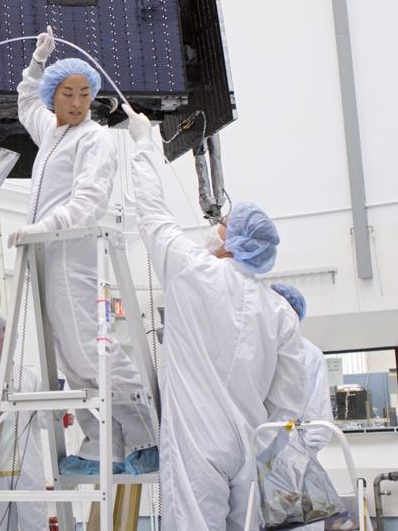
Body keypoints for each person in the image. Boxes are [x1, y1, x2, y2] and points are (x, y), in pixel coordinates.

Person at [123, 103, 307, 530]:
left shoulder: (193, 271)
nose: (215, 225)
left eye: (222, 223)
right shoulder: (280, 313)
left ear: (232, 242)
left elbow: (151, 213)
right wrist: (269, 449)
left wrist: (142, 144)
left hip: (197, 442)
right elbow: (289, 401)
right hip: (251, 443)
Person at [5, 27, 159, 477]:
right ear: (56, 97)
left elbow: (89, 200)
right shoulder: (52, 134)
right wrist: (37, 62)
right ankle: (99, 445)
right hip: (46, 255)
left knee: (91, 350)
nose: (76, 102)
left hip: (72, 254)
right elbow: (25, 102)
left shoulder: (96, 139)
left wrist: (43, 227)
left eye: (85, 94)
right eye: (68, 93)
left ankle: (147, 433)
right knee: (68, 357)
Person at [0, 316, 48, 531]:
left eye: (5, 331)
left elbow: (44, 420)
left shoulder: (31, 376)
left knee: (35, 522)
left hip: (28, 464)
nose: (2, 337)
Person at [271, 283, 333, 452]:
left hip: (295, 451)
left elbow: (318, 414)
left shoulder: (310, 354)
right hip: (251, 448)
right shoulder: (254, 347)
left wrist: (304, 454)